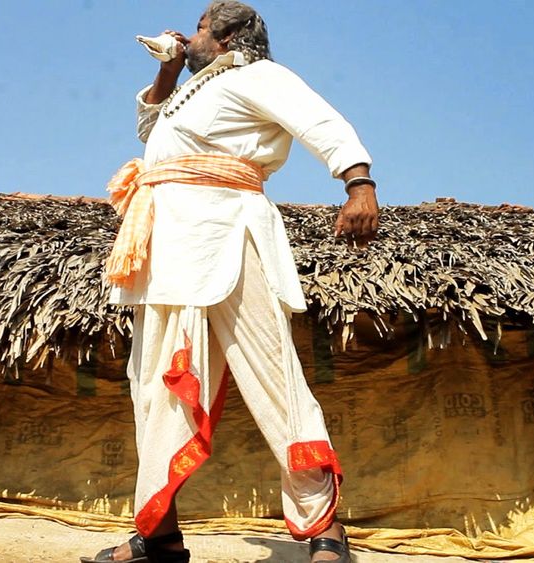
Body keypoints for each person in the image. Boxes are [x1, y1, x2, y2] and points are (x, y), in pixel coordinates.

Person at [82, 2, 378, 562]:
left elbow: (320, 121)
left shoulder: (257, 76)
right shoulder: (192, 93)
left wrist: (358, 184)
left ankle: (325, 528)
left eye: (199, 28)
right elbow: (150, 133)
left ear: (229, 35)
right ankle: (159, 536)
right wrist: (168, 72)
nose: (188, 34)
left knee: (274, 376)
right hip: (167, 250)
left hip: (228, 234)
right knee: (152, 386)